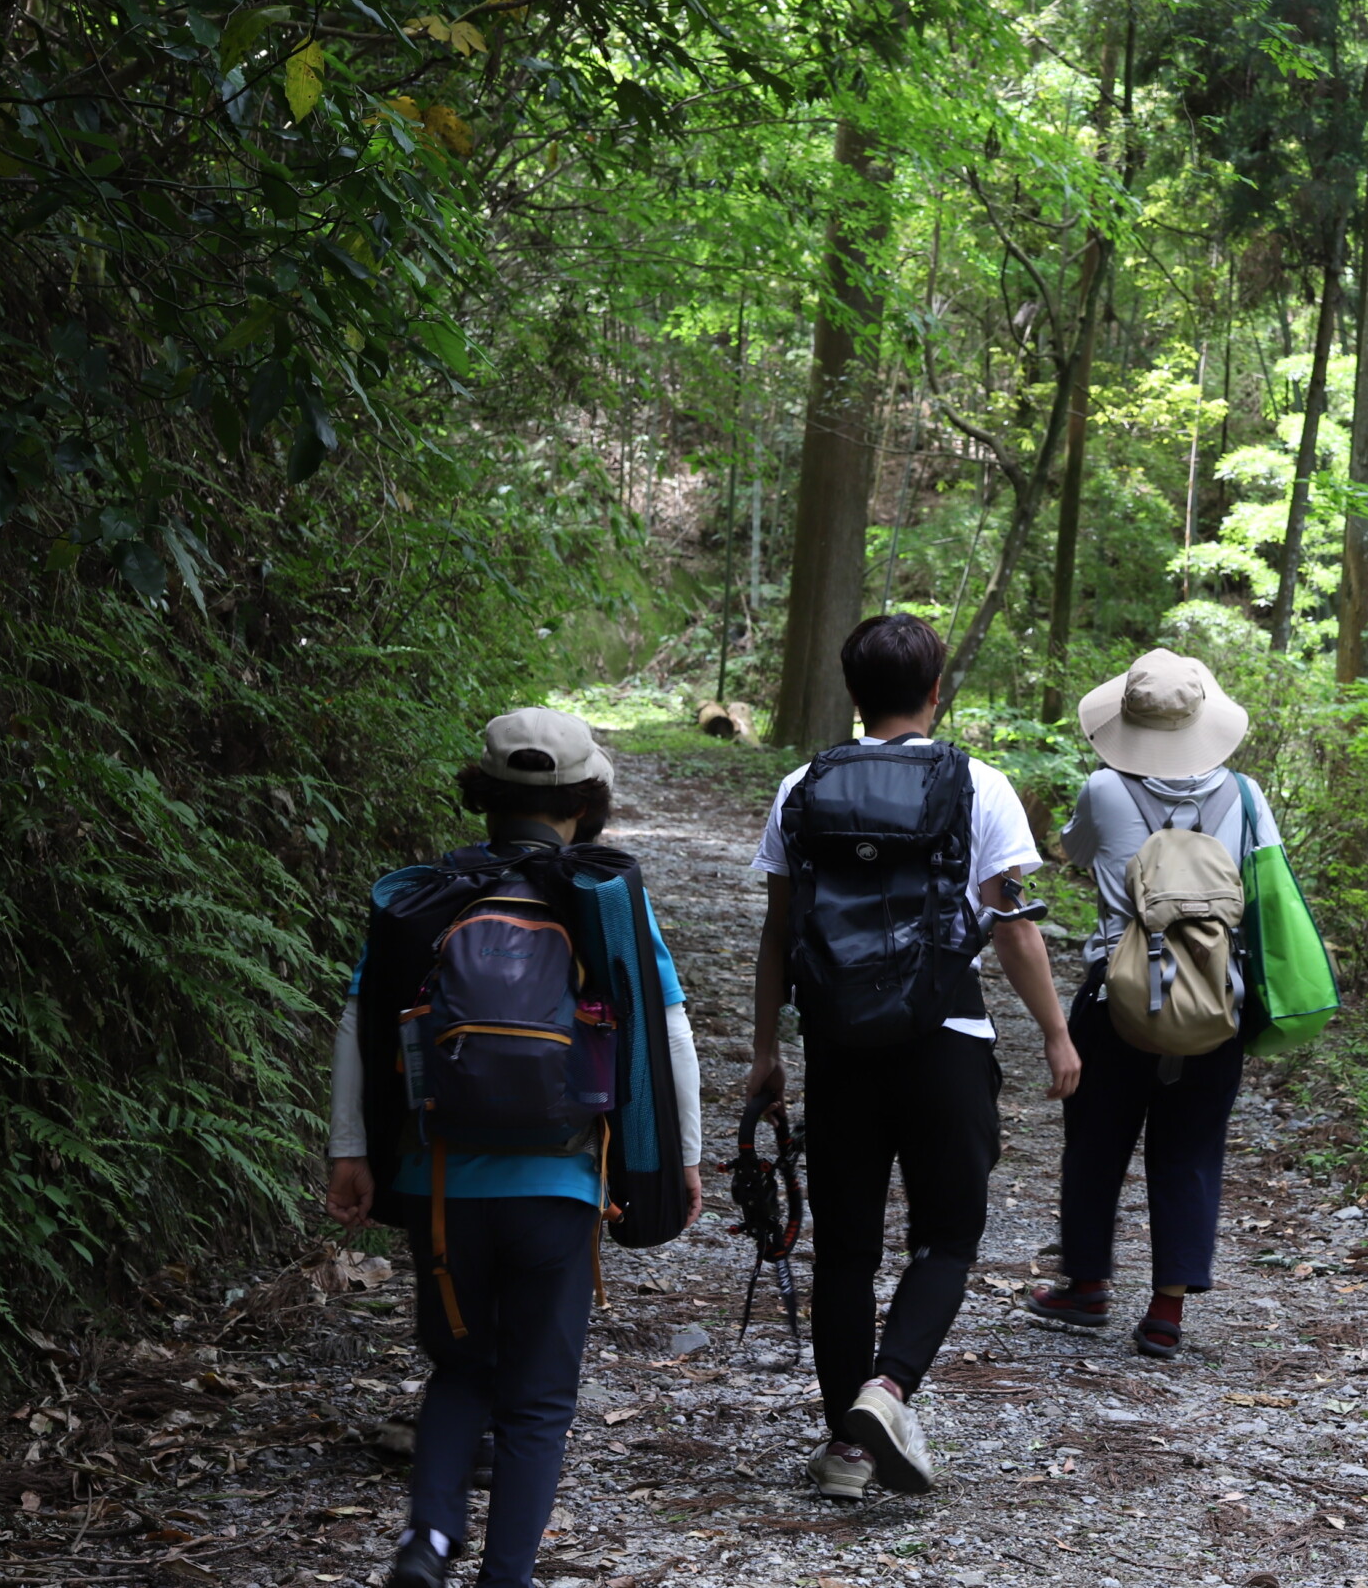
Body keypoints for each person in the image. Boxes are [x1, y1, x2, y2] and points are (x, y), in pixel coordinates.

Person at [324, 709, 704, 1588]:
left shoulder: (430, 898)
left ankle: (427, 1540)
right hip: (559, 1188)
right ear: (585, 800)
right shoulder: (604, 902)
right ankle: (507, 1575)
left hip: (443, 1182)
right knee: (537, 1398)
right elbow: (669, 1028)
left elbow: (362, 1018)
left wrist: (352, 1148)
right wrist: (679, 1158)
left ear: (484, 797)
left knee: (460, 1368)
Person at [748, 614, 1080, 1500]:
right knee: (946, 1236)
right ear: (938, 691)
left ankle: (847, 1453)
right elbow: (1009, 927)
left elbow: (780, 932)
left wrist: (765, 1049)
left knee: (846, 1250)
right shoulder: (979, 783)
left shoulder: (801, 786)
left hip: (839, 1045)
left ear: (853, 696)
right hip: (947, 1039)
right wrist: (1055, 1030)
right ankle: (888, 1390)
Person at [1025, 649, 1280, 1357]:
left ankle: (1087, 1285)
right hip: (1214, 1002)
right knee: (1192, 1148)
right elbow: (1267, 887)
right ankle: (1166, 1311)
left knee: (1097, 1143)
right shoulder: (1247, 795)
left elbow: (1072, 852)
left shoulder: (1105, 789)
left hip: (1118, 1001)